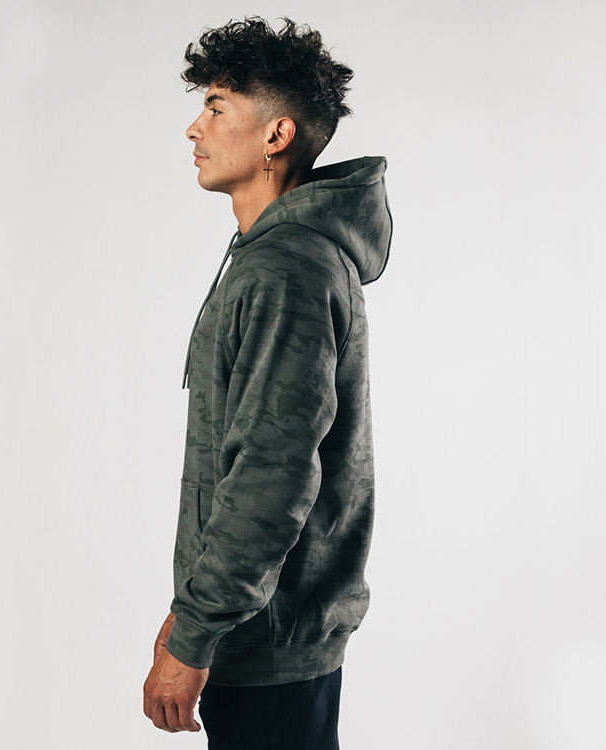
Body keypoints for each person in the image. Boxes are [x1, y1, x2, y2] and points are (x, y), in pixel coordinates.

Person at [143, 15, 393, 749]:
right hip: (258, 625)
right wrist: (194, 613)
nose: (195, 127)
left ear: (275, 136)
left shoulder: (286, 270)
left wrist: (197, 631)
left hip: (269, 636)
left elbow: (271, 475)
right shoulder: (277, 258)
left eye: (217, 107)